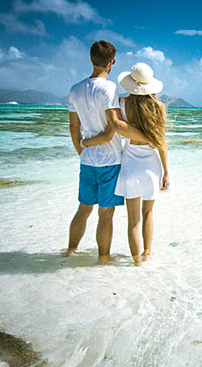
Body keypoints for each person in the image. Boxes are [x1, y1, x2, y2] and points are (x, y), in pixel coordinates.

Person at [64, 41, 150, 264]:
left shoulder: (75, 89)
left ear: (92, 59)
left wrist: (81, 150)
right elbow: (113, 124)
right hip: (110, 161)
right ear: (111, 63)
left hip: (87, 161)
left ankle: (69, 251)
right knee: (105, 213)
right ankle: (103, 258)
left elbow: (74, 127)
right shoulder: (109, 88)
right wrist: (149, 138)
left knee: (83, 209)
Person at [83, 63, 170, 266]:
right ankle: (146, 254)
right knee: (148, 213)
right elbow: (162, 143)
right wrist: (166, 172)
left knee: (133, 220)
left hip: (129, 165)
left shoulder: (121, 104)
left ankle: (135, 261)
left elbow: (113, 126)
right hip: (151, 166)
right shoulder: (159, 108)